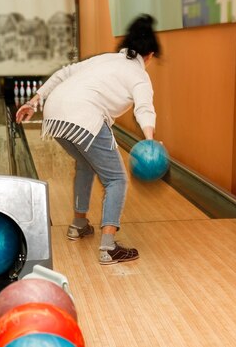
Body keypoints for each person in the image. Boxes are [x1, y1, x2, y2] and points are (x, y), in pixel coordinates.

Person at [15, 14, 161, 265]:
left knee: (85, 164)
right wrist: (149, 141)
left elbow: (63, 74)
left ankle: (79, 223)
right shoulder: (139, 75)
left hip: (53, 114)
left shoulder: (105, 58)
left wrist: (33, 101)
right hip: (85, 115)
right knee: (116, 178)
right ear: (149, 56)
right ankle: (108, 247)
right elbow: (144, 108)